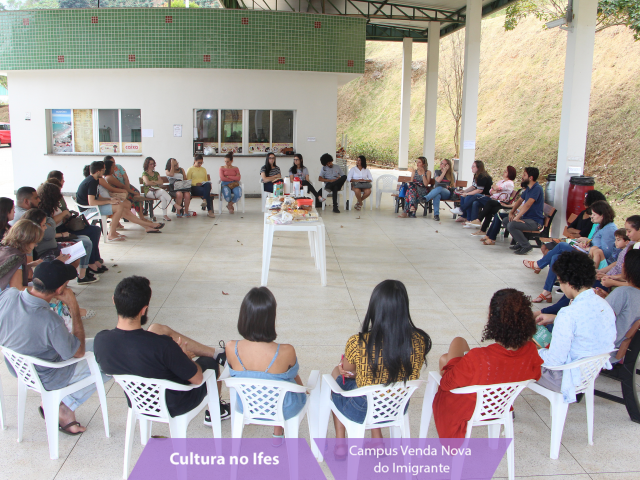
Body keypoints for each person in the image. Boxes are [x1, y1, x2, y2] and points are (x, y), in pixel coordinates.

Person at [94, 276, 230, 426]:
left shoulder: (101, 340)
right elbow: (197, 379)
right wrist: (186, 359)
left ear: (114, 300)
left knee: (157, 328)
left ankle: (218, 352)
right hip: (173, 402)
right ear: (144, 309)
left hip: (137, 400)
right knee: (210, 363)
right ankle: (216, 411)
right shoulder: (162, 346)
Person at [0, 260, 110, 434]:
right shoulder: (50, 320)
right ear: (60, 290)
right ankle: (65, 406)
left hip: (19, 368)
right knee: (111, 358)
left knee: (104, 342)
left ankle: (60, 404)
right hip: (48, 375)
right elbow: (78, 351)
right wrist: (73, 307)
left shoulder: (8, 296)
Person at [330, 280, 431, 454]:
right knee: (377, 384)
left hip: (362, 408)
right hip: (397, 405)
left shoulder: (359, 342)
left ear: (375, 307)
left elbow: (347, 370)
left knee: (337, 379)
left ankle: (340, 442)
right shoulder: (420, 340)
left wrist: (349, 370)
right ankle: (377, 440)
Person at [433, 289, 543, 438]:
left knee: (456, 344)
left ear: (493, 319)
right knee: (447, 356)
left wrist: (454, 364)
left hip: (469, 407)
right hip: (499, 404)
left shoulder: (480, 357)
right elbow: (535, 375)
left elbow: (446, 383)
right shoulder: (530, 351)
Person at [225, 287, 305, 445]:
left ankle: (277, 432)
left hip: (248, 405)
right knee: (285, 382)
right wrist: (305, 390)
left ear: (244, 316)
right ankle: (278, 431)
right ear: (271, 318)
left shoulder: (230, 347)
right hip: (282, 408)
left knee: (275, 382)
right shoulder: (286, 350)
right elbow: (293, 376)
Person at [535, 251, 616, 403]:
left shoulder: (569, 314)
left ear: (569, 283)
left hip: (566, 377)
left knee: (513, 358)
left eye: (560, 282)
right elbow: (586, 325)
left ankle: (503, 409)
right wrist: (555, 318)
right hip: (589, 373)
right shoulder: (604, 305)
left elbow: (554, 361)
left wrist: (536, 351)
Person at [524, 200, 617, 303]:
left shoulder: (609, 229)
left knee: (562, 245)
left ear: (602, 215)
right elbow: (596, 243)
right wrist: (587, 241)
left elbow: (606, 253)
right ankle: (547, 291)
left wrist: (588, 249)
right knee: (556, 258)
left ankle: (538, 264)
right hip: (588, 253)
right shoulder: (600, 226)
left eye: (594, 215)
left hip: (595, 261)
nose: (592, 217)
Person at [77, 161, 162, 241]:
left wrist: (110, 199)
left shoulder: (93, 180)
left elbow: (96, 198)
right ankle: (111, 234)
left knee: (122, 208)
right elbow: (92, 202)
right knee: (119, 207)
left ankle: (148, 225)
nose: (104, 172)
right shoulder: (92, 182)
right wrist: (109, 202)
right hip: (89, 210)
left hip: (93, 207)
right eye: (103, 170)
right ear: (98, 171)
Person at [44, 173, 107, 275]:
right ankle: (90, 263)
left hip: (66, 225)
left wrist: (67, 215)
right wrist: (64, 214)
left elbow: (65, 211)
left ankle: (95, 259)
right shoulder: (46, 207)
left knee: (95, 230)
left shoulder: (57, 201)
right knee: (90, 234)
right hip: (60, 231)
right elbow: (51, 223)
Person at [23, 208, 98, 285]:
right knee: (67, 262)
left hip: (53, 250)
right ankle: (59, 287)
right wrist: (56, 261)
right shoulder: (29, 240)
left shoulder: (36, 234)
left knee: (76, 254)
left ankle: (62, 285)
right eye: (43, 225)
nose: (46, 227)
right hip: (44, 257)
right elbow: (30, 270)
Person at [604, 250, 640, 363]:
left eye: (624, 263)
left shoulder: (623, 293)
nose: (622, 265)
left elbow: (600, 319)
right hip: (623, 351)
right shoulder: (629, 293)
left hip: (605, 352)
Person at [502, 167, 545, 255]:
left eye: (524, 175)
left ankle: (526, 246)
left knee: (512, 224)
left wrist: (517, 217)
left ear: (530, 178)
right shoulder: (529, 188)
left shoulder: (537, 188)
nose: (522, 176)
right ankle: (520, 242)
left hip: (535, 222)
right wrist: (512, 212)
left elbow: (528, 204)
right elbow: (520, 200)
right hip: (527, 219)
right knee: (506, 221)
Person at [469, 166, 517, 236]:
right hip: (494, 201)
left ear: (510, 173)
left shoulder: (509, 183)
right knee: (478, 203)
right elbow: (491, 190)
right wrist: (494, 189)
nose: (503, 172)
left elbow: (496, 187)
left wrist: (495, 189)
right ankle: (480, 227)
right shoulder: (501, 181)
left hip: (500, 203)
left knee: (478, 197)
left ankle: (477, 220)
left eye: (506, 171)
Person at [597, 215, 640, 291]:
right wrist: (611, 277)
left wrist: (613, 282)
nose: (627, 234)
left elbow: (635, 284)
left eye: (629, 231)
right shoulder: (634, 244)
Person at [0, 219, 43, 290]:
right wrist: (47, 292)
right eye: (34, 242)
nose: (36, 245)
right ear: (26, 241)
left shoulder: (4, 248)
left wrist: (30, 265)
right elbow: (17, 288)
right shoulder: (17, 258)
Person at [142, 157, 174, 222]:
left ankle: (165, 215)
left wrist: (153, 182)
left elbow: (161, 182)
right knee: (162, 191)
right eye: (150, 164)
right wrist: (156, 181)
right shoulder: (144, 174)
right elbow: (147, 183)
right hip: (149, 192)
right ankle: (174, 204)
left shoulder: (156, 173)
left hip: (156, 190)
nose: (152, 165)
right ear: (147, 164)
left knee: (163, 197)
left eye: (153, 164)